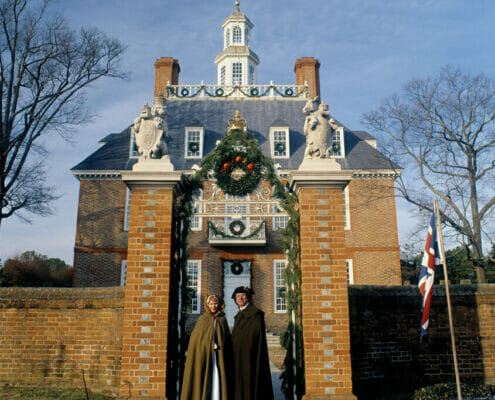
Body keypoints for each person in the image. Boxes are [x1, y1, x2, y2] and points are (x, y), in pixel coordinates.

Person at [181, 294, 233, 400]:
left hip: (218, 357)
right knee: (204, 376)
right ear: (207, 305)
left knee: (217, 376)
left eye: (215, 304)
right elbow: (196, 341)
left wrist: (219, 345)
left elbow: (226, 339)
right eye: (211, 304)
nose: (213, 306)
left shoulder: (222, 320)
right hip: (204, 356)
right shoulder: (203, 319)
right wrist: (207, 345)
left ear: (219, 305)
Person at [231, 286, 274, 400]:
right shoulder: (238, 316)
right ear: (235, 299)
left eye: (243, 296)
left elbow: (255, 335)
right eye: (238, 296)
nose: (240, 298)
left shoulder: (255, 314)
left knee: (250, 381)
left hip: (250, 355)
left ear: (248, 298)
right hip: (238, 355)